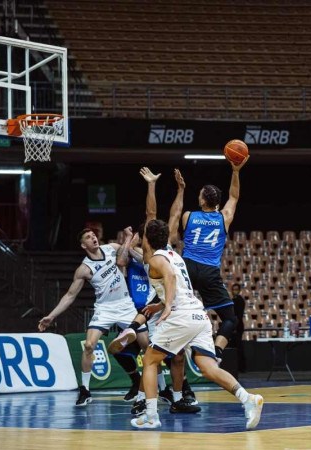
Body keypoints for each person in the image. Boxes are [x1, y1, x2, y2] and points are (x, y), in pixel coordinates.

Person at [130, 219, 263, 430]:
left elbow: (170, 277)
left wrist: (167, 307)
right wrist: (160, 304)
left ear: (146, 239)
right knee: (208, 368)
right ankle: (248, 399)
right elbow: (177, 283)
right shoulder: (176, 256)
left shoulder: (156, 259)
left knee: (149, 360)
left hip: (181, 316)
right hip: (199, 316)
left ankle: (151, 416)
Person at [109, 167, 199, 414]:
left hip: (168, 303)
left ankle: (178, 398)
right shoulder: (149, 254)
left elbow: (176, 212)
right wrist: (151, 184)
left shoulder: (167, 247)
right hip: (161, 306)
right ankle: (142, 401)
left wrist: (181, 190)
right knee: (154, 357)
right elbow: (151, 212)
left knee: (177, 356)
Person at [38, 226, 149, 407]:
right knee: (89, 345)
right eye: (88, 238)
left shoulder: (111, 248)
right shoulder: (84, 269)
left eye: (93, 235)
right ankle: (85, 390)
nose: (93, 238)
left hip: (125, 304)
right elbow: (70, 296)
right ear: (83, 245)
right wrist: (51, 316)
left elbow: (125, 256)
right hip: (104, 309)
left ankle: (163, 388)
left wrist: (130, 239)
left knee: (146, 344)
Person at [181, 155, 249, 362]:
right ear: (218, 203)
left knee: (173, 309)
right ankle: (217, 351)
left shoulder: (188, 216)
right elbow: (234, 196)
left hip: (188, 267)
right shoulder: (224, 217)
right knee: (230, 319)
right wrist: (235, 171)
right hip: (210, 272)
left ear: (202, 200)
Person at [229, 283, 246, 372]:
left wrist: (235, 327)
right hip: (235, 325)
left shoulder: (239, 300)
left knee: (238, 347)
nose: (234, 291)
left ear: (239, 290)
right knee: (236, 347)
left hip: (237, 326)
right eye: (233, 289)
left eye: (236, 289)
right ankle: (236, 366)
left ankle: (241, 367)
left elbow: (238, 315)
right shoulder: (234, 300)